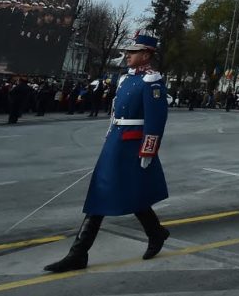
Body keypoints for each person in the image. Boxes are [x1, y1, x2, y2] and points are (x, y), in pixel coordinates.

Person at [43, 32, 170, 273]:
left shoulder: (151, 82)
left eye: (133, 52)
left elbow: (156, 120)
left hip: (132, 146)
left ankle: (79, 253)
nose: (128, 56)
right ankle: (154, 232)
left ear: (146, 54)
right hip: (115, 142)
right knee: (107, 191)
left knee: (117, 192)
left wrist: (147, 151)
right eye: (128, 52)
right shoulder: (125, 80)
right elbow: (116, 113)